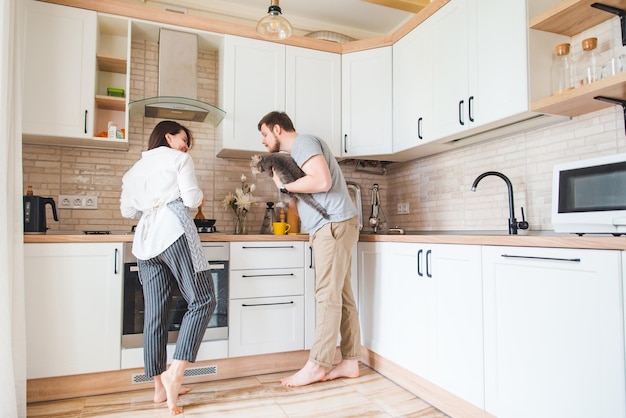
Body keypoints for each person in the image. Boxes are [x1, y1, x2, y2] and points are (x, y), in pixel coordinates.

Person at [257, 111, 361, 387]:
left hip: (333, 226)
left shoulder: (303, 142)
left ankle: (318, 365)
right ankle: (350, 361)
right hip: (335, 225)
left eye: (265, 135)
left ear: (277, 129)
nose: (264, 142)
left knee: (327, 295)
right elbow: (311, 190)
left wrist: (286, 186)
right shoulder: (298, 153)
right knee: (341, 295)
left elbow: (323, 181)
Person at [120, 120, 216, 415]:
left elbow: (127, 211)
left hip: (145, 241)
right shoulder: (179, 159)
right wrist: (195, 197)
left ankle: (159, 388)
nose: (186, 145)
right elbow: (191, 199)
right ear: (167, 136)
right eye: (183, 138)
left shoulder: (134, 170)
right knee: (203, 299)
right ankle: (175, 373)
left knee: (154, 314)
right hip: (173, 232)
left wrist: (152, 202)